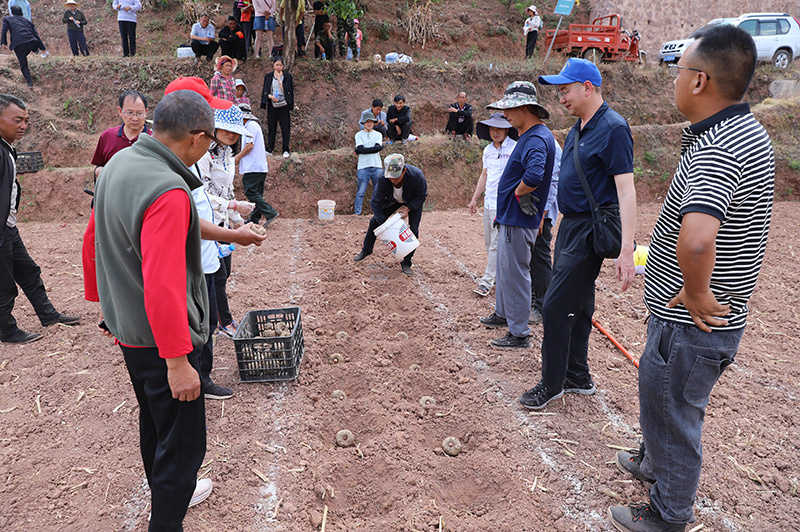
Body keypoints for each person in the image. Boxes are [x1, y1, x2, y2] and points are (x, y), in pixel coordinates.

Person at [608, 25, 774, 532]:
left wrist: (697, 291)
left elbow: (699, 238)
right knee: (659, 395)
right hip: (684, 318)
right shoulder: (741, 132)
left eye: (678, 72)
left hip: (691, 322)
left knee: (674, 413)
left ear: (699, 81)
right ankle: (651, 464)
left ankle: (667, 515)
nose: (673, 81)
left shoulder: (719, 145)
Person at [87, 90, 217, 530]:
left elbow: (95, 241)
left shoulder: (118, 164)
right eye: (211, 142)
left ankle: (166, 503)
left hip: (132, 334)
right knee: (183, 449)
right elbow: (164, 284)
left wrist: (107, 308)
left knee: (156, 427)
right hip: (165, 343)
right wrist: (179, 361)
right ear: (197, 139)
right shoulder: (169, 188)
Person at [516, 58, 636, 409]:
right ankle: (577, 375)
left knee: (553, 307)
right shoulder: (577, 130)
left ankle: (551, 384)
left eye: (566, 90)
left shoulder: (613, 128)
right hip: (570, 226)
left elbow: (626, 190)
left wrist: (626, 249)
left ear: (588, 87)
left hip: (590, 228)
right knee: (580, 303)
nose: (561, 98)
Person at [477, 82, 556, 349]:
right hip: (511, 217)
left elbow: (535, 174)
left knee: (515, 273)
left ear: (524, 108)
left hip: (518, 218)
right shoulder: (532, 136)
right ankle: (503, 314)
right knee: (505, 267)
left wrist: (518, 194)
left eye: (509, 109)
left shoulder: (535, 138)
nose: (505, 116)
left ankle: (519, 333)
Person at [1, 94, 80, 344]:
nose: (23, 125)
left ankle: (48, 314)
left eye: (26, 120)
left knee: (28, 271)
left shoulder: (7, 148)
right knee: (3, 283)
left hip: (8, 227)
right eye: (17, 120)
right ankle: (6, 329)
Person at [196, 104, 255, 339]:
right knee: (217, 275)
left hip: (222, 221)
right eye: (225, 129)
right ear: (214, 128)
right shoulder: (202, 155)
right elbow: (201, 193)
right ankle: (224, 321)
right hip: (207, 221)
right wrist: (233, 206)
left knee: (224, 271)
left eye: (235, 131)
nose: (231, 134)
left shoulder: (228, 154)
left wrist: (238, 221)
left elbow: (227, 190)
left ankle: (218, 318)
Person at [468, 112, 518, 297]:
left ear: (506, 129)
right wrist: (475, 199)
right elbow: (484, 175)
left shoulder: (515, 148)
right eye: (492, 128)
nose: (495, 132)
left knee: (496, 244)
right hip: (489, 202)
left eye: (499, 128)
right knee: (490, 243)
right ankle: (498, 274)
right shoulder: (487, 150)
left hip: (505, 203)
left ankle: (486, 282)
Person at [353, 153, 427, 276]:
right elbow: (375, 202)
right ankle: (367, 249)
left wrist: (408, 209)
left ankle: (406, 262)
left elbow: (421, 196)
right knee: (374, 222)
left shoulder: (417, 176)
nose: (392, 180)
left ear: (404, 171)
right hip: (393, 201)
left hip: (412, 202)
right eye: (390, 177)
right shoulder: (382, 178)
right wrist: (384, 225)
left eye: (396, 177)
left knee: (413, 230)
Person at [529, 139, 562, 323]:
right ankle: (533, 300)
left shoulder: (548, 144)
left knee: (540, 257)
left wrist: (542, 214)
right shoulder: (530, 139)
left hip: (541, 213)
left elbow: (553, 181)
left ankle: (542, 306)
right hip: (530, 211)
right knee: (530, 257)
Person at [91, 90, 151, 180]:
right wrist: (109, 173)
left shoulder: (154, 139)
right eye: (130, 113)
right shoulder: (108, 136)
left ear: (146, 112)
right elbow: (98, 167)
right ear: (120, 111)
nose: (135, 118)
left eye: (139, 113)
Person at [236, 103, 279, 226]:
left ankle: (270, 212)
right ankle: (254, 218)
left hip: (253, 166)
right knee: (257, 193)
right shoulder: (252, 125)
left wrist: (238, 157)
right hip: (259, 166)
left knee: (251, 192)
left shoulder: (249, 126)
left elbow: (249, 145)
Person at [1, 6, 47, 87]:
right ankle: (35, 50)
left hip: (19, 44)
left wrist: (3, 42)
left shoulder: (7, 19)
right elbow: (36, 34)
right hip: (31, 41)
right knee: (29, 48)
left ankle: (30, 83)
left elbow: (4, 31)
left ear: (12, 13)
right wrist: (43, 48)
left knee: (23, 64)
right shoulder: (27, 21)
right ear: (22, 13)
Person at [260, 57, 294, 158]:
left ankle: (286, 149)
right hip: (272, 105)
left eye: (280, 65)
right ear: (273, 65)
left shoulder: (287, 77)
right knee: (271, 127)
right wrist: (270, 97)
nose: (278, 67)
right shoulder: (268, 76)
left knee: (285, 128)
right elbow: (265, 91)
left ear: (283, 66)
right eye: (276, 65)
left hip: (284, 105)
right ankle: (270, 149)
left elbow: (288, 91)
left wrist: (280, 80)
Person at [353, 112, 384, 215]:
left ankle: (379, 212)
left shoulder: (378, 134)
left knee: (379, 191)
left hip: (377, 166)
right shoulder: (358, 135)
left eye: (371, 121)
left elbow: (363, 149)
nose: (369, 124)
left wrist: (360, 151)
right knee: (360, 192)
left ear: (374, 123)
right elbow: (376, 148)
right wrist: (375, 149)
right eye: (367, 122)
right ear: (363, 123)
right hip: (363, 167)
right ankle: (357, 213)